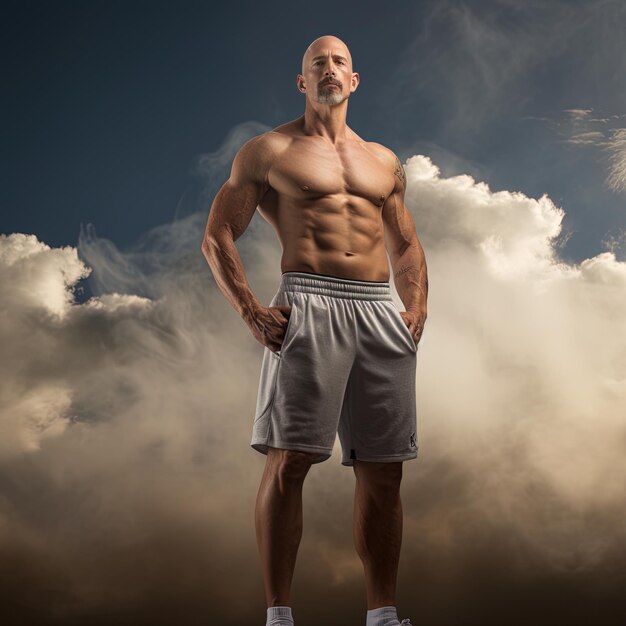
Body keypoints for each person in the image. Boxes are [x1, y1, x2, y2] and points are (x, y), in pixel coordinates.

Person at [202, 34, 427, 626]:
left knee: (384, 468)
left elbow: (405, 245)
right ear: (302, 82)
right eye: (317, 64)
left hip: (380, 310)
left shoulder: (384, 161)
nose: (329, 70)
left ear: (355, 80)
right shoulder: (269, 149)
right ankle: (279, 616)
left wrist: (417, 307)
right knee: (290, 459)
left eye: (339, 63)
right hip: (310, 302)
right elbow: (217, 234)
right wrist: (252, 310)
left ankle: (382, 616)